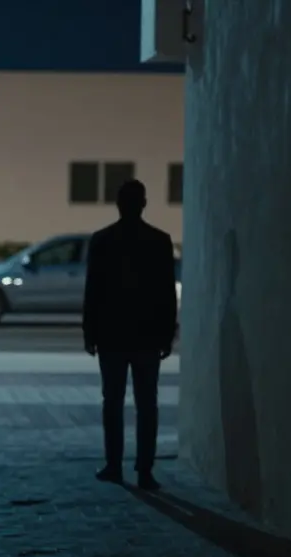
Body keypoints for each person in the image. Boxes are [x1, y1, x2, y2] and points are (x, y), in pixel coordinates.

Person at [82, 179, 177, 491]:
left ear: (119, 204)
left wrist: (89, 332)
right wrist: (167, 334)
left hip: (112, 334)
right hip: (147, 335)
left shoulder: (102, 240)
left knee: (112, 402)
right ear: (144, 204)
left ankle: (114, 465)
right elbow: (166, 293)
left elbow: (93, 291)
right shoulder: (159, 241)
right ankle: (145, 470)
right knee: (147, 404)